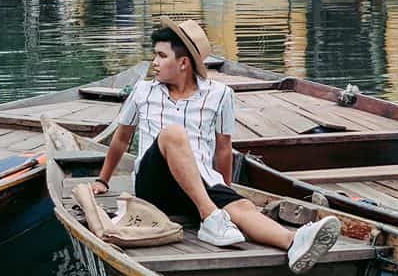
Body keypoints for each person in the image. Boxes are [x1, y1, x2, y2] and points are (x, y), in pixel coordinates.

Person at [94, 17, 341, 271]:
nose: (154, 63)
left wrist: (227, 193)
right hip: (153, 186)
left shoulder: (220, 94)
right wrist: (102, 181)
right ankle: (211, 217)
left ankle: (293, 242)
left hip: (199, 182)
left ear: (183, 63)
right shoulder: (143, 91)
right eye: (154, 55)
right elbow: (122, 139)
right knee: (173, 134)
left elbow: (224, 149)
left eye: (160, 55)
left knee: (242, 206)